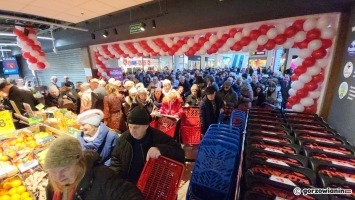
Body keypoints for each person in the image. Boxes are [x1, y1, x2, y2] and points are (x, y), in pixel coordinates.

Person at [44, 136, 143, 200]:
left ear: (79, 162)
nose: (58, 177)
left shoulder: (102, 177)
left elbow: (131, 195)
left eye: (64, 169)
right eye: (53, 171)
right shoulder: (52, 186)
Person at [110, 106, 185, 184]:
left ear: (146, 126)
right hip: (129, 186)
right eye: (130, 127)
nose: (132, 131)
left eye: (136, 127)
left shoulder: (158, 137)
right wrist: (117, 180)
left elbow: (180, 154)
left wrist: (160, 149)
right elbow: (116, 159)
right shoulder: (124, 138)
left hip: (152, 185)